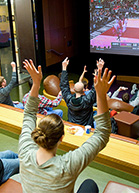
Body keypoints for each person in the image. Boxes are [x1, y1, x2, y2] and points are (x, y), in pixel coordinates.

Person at [19, 59, 115, 193]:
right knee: (90, 184)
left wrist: (36, 83)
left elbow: (29, 113)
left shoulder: (24, 151)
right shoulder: (67, 166)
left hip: (73, 121)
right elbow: (102, 134)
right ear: (61, 138)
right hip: (84, 125)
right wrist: (100, 92)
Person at [60, 57, 98, 127]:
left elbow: (64, 86)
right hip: (86, 127)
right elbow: (95, 89)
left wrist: (64, 68)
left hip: (73, 126)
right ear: (83, 90)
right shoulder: (87, 100)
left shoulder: (69, 99)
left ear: (74, 90)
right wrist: (98, 73)